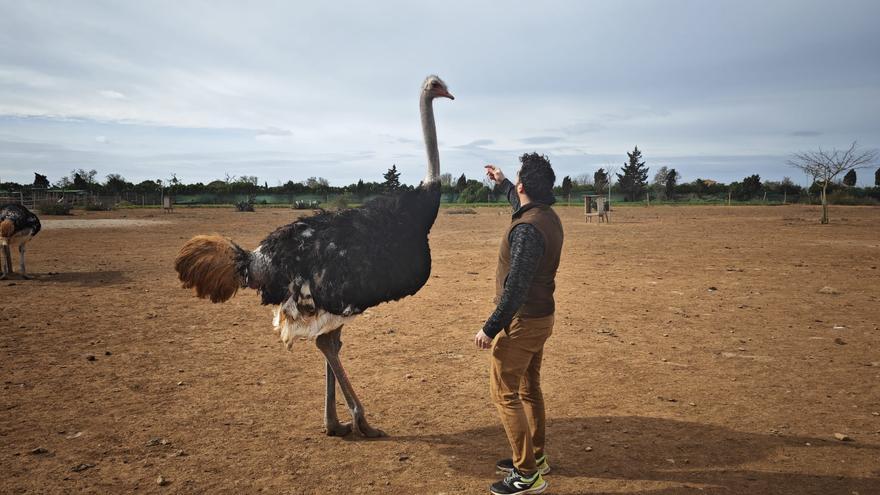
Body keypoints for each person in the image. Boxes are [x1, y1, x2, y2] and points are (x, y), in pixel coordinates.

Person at [475, 153, 564, 495]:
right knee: (529, 388)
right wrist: (503, 183)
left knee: (505, 393)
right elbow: (522, 200)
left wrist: (490, 328)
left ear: (526, 186)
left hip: (523, 322)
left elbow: (515, 288)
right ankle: (536, 457)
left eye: (516, 180)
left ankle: (527, 473)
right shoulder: (546, 215)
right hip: (541, 318)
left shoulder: (527, 229)